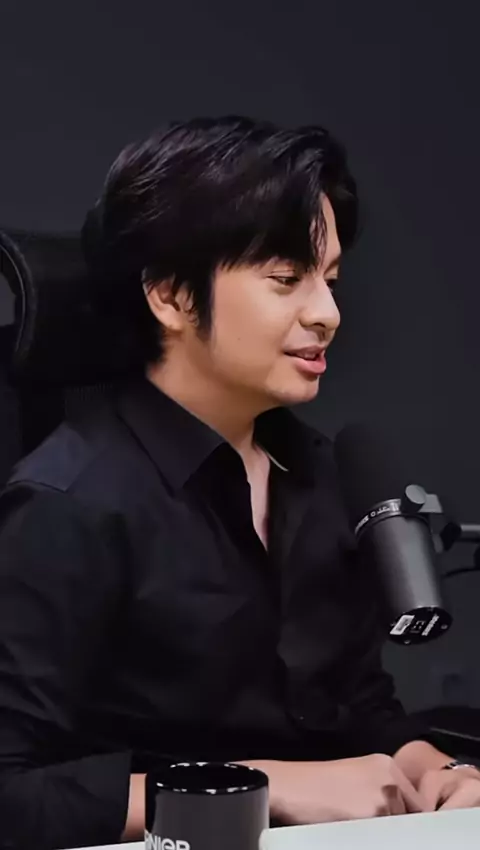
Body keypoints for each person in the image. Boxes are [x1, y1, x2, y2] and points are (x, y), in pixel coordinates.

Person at [0, 116, 479, 850]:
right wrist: (260, 785)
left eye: (330, 280)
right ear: (171, 296)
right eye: (287, 280)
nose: (327, 313)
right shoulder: (70, 505)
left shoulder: (317, 472)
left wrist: (434, 769)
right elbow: (10, 792)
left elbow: (354, 705)